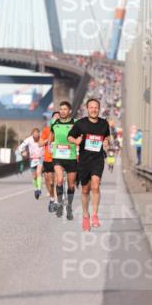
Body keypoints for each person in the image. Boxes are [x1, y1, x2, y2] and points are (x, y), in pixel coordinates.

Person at [68, 97, 112, 231]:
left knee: (96, 185)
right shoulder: (80, 123)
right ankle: (85, 215)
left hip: (98, 159)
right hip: (84, 161)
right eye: (91, 107)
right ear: (87, 109)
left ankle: (94, 215)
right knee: (85, 189)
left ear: (99, 109)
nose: (94, 110)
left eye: (96, 107)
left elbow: (107, 137)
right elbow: (69, 137)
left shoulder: (104, 123)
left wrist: (106, 142)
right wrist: (76, 141)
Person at [50, 101, 79, 220]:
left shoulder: (75, 123)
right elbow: (50, 139)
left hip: (71, 157)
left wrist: (78, 143)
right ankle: (60, 204)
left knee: (71, 186)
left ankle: (69, 206)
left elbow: (80, 137)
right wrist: (49, 146)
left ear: (70, 111)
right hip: (58, 157)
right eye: (61, 109)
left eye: (65, 109)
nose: (62, 111)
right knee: (60, 179)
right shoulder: (54, 123)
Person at [16, 127, 44, 200]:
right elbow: (20, 147)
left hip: (40, 158)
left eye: (37, 133)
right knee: (34, 176)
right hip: (32, 160)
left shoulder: (42, 139)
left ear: (39, 134)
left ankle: (39, 189)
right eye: (34, 133)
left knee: (39, 173)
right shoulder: (29, 139)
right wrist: (23, 152)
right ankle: (35, 189)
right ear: (32, 134)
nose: (36, 135)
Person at [40, 111, 59, 213]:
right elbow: (39, 144)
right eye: (55, 117)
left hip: (59, 158)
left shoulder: (63, 130)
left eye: (58, 117)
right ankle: (52, 198)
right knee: (50, 182)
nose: (56, 119)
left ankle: (56, 201)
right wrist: (48, 140)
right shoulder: (46, 130)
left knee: (57, 181)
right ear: (51, 119)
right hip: (48, 159)